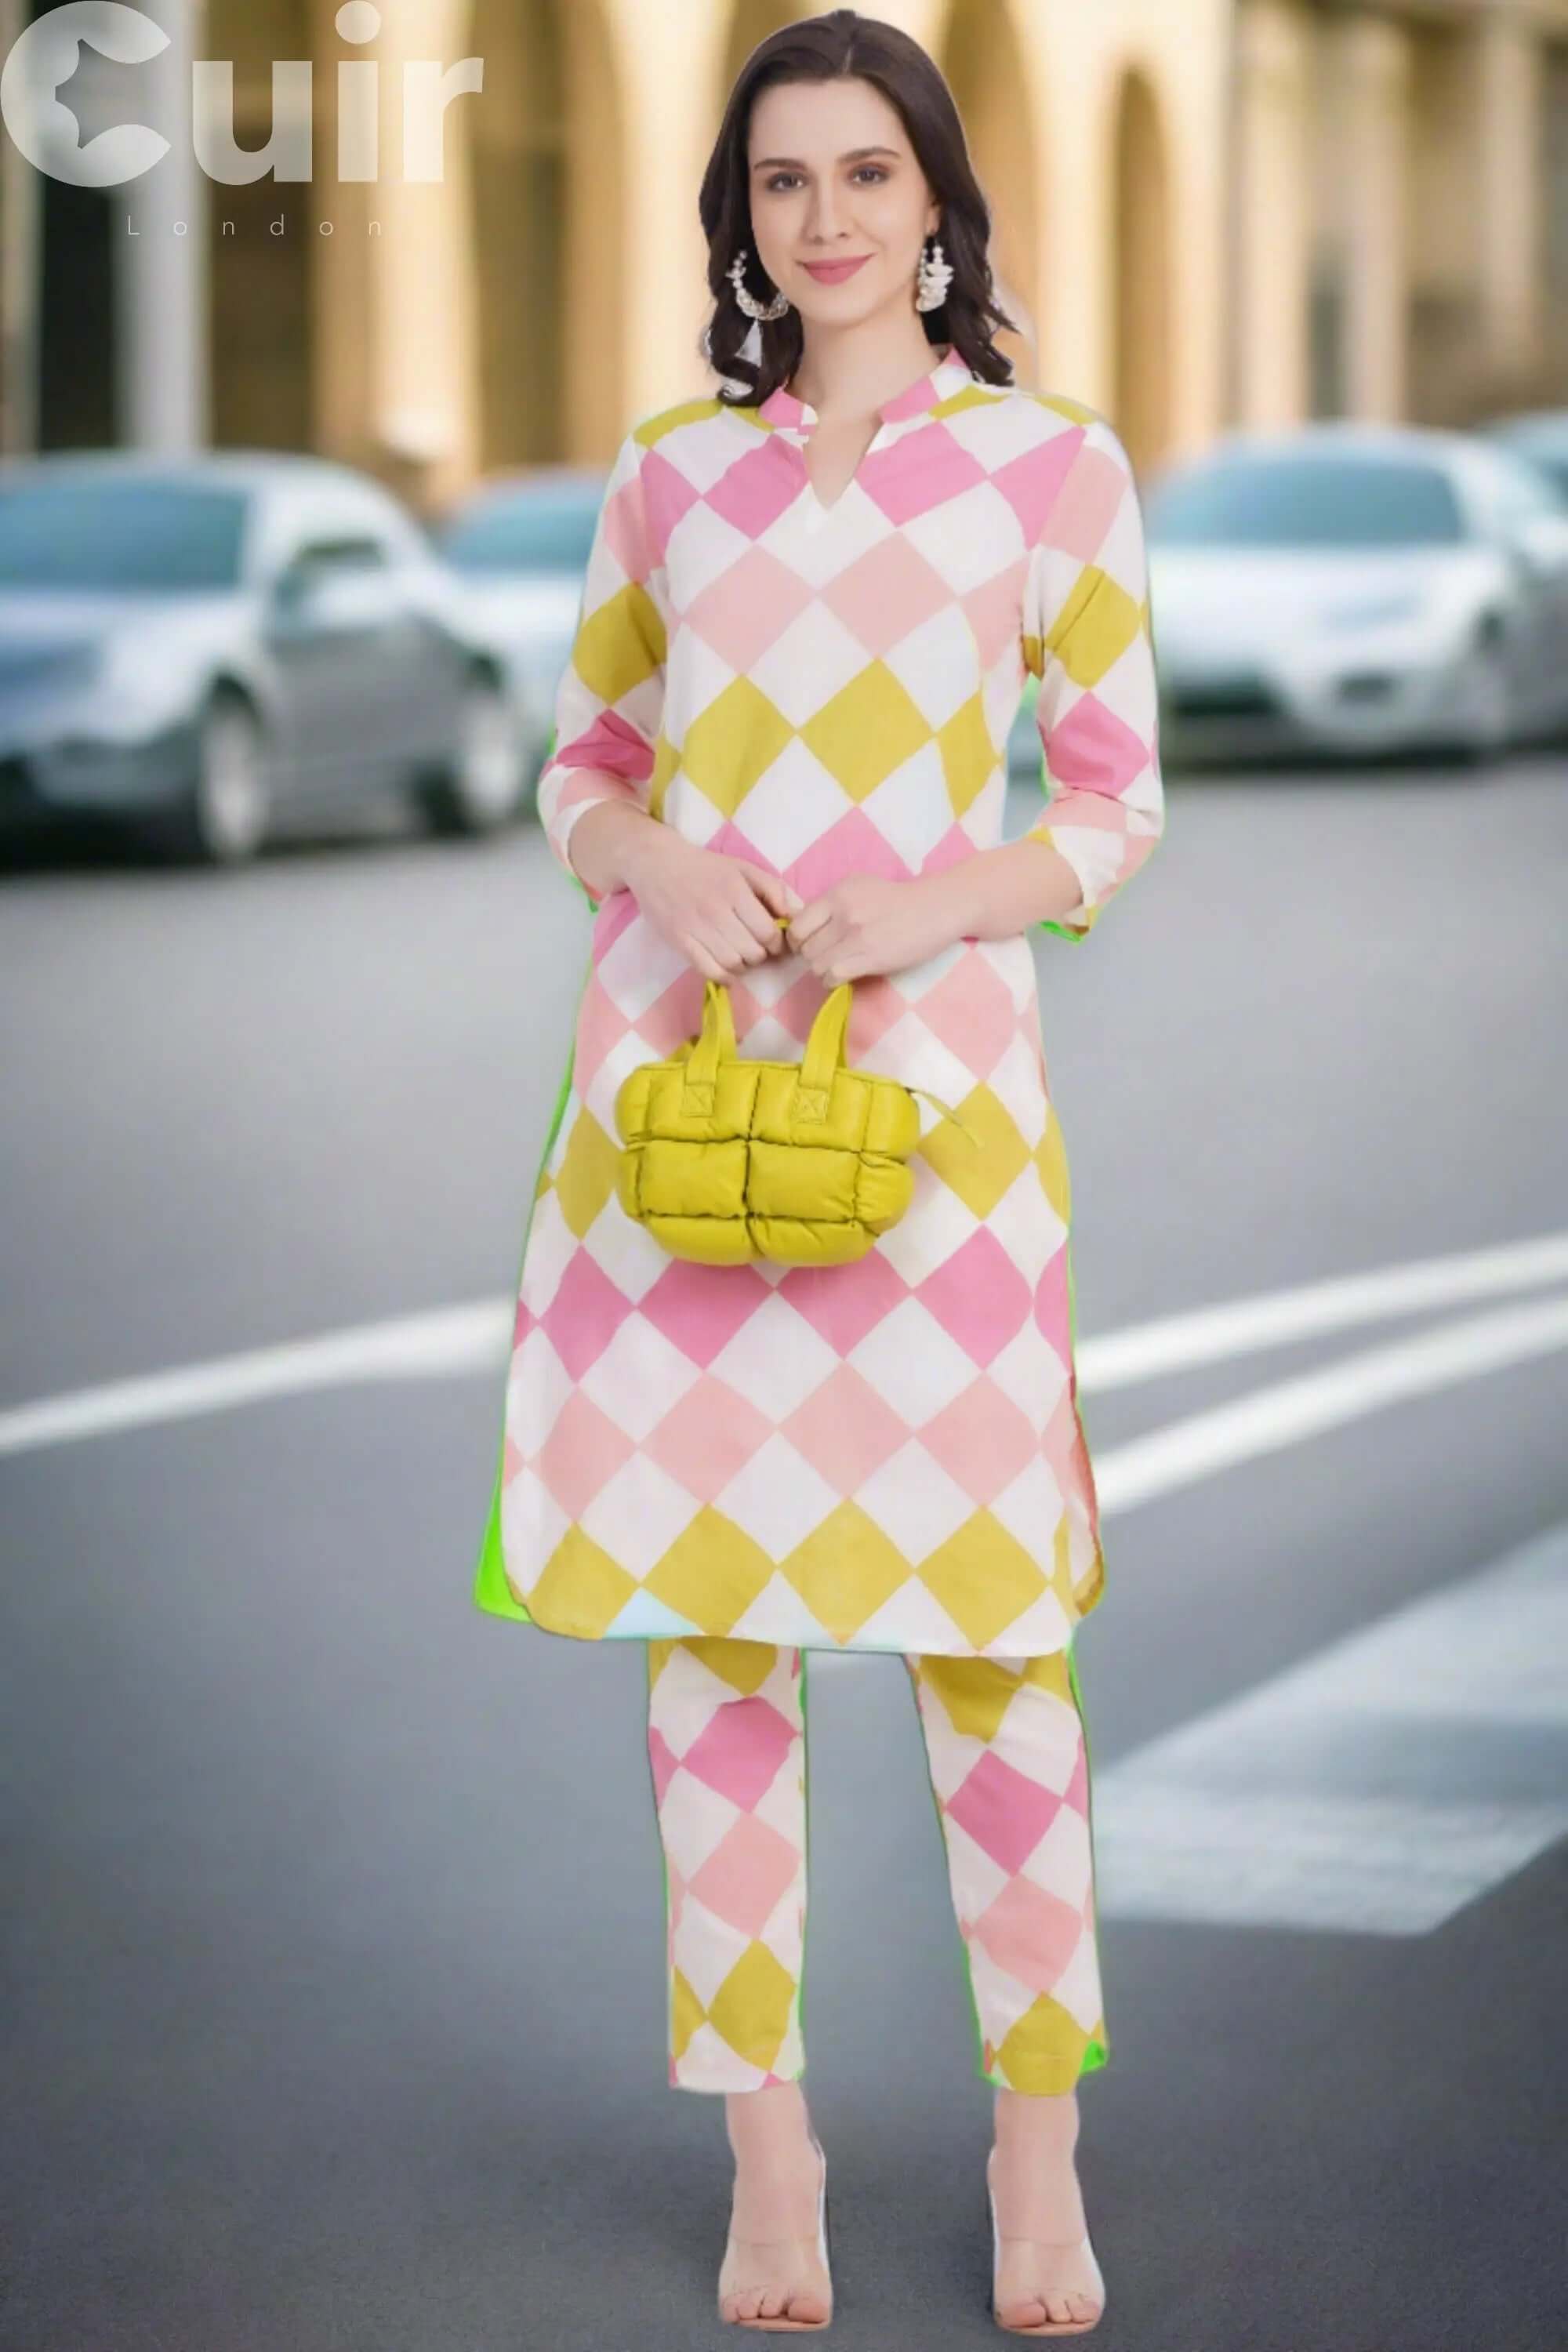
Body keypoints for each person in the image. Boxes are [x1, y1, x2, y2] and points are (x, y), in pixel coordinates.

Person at [471, 7, 1165, 2332]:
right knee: (719, 1642)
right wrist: (652, 853)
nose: (830, 218)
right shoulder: (675, 472)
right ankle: (770, 2149)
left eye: (869, 174)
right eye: (785, 183)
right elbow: (578, 762)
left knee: (996, 1647)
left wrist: (929, 903)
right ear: (742, 219)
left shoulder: (1051, 471)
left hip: (944, 1118)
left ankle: (1036, 2150)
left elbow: (1109, 802)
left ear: (942, 199)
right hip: (682, 1111)